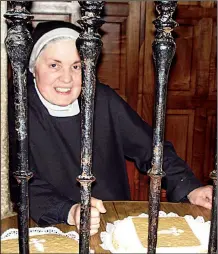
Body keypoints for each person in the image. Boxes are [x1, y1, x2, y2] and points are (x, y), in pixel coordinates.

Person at [8, 21, 213, 236]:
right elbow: (17, 180)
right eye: (54, 65)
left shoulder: (102, 99)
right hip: (45, 223)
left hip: (111, 218)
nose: (67, 78)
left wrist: (190, 188)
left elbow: (150, 149)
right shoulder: (16, 108)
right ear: (33, 69)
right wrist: (68, 210)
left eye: (76, 66)